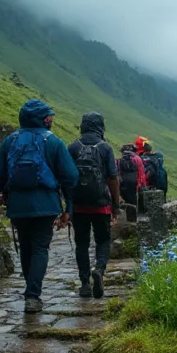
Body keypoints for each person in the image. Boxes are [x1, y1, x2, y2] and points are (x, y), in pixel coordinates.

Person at [0, 99, 78, 313]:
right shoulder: (54, 142)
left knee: (25, 245)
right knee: (40, 247)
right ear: (42, 119)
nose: (50, 120)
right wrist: (68, 208)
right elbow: (71, 176)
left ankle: (30, 289)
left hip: (17, 204)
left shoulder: (10, 141)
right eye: (48, 117)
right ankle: (32, 295)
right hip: (45, 204)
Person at [68, 112, 120, 298]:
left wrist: (68, 205)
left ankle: (84, 283)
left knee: (81, 243)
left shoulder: (73, 147)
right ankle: (99, 269)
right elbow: (112, 178)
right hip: (101, 205)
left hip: (79, 205)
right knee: (103, 240)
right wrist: (116, 204)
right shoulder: (105, 148)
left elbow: (66, 177)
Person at [117, 143, 147, 208]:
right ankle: (134, 213)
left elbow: (118, 172)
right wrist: (142, 184)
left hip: (123, 182)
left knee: (125, 198)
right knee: (133, 199)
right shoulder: (137, 159)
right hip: (134, 182)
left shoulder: (120, 160)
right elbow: (141, 172)